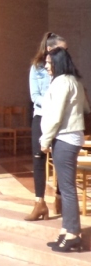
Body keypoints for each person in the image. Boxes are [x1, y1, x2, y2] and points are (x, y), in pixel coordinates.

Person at [41, 47, 89, 252]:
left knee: (67, 188)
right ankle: (66, 230)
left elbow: (56, 115)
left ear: (58, 63)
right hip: (71, 136)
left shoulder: (61, 82)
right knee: (65, 186)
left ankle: (73, 234)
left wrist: (45, 139)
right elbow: (86, 109)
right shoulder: (74, 81)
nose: (46, 66)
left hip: (65, 137)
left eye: (48, 62)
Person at [26, 32, 67, 221]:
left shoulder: (65, 69)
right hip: (42, 115)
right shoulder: (37, 68)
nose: (65, 52)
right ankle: (39, 203)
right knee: (38, 159)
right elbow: (34, 96)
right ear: (49, 49)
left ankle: (60, 197)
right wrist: (51, 103)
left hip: (60, 118)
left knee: (60, 157)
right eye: (62, 49)